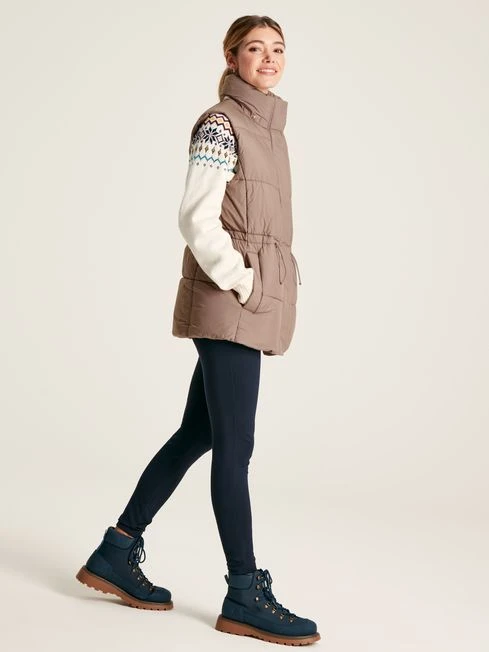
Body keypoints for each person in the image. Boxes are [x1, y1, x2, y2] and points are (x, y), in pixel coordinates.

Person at [76, 15, 319, 646]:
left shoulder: (270, 129)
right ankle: (244, 593)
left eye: (278, 49)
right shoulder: (221, 123)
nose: (269, 58)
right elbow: (195, 217)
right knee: (235, 448)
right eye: (255, 49)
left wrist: (261, 284)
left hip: (246, 300)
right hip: (229, 300)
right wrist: (243, 281)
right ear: (232, 58)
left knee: (200, 433)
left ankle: (115, 551)